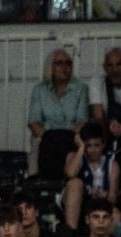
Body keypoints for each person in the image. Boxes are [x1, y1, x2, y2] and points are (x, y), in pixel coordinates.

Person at [28, 49, 89, 180]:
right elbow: (34, 122)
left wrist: (60, 137)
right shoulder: (39, 90)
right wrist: (50, 137)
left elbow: (82, 121)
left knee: (72, 142)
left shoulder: (81, 89)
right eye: (59, 63)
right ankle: (36, 182)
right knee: (37, 141)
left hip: (70, 135)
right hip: (46, 136)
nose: (65, 67)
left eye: (68, 63)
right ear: (49, 66)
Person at [62, 123, 119, 231]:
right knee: (75, 183)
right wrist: (81, 148)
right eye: (89, 146)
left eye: (96, 145)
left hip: (100, 205)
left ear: (103, 144)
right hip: (77, 203)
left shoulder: (112, 165)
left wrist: (101, 200)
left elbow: (112, 198)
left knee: (116, 215)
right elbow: (70, 174)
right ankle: (70, 236)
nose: (93, 150)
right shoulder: (74, 156)